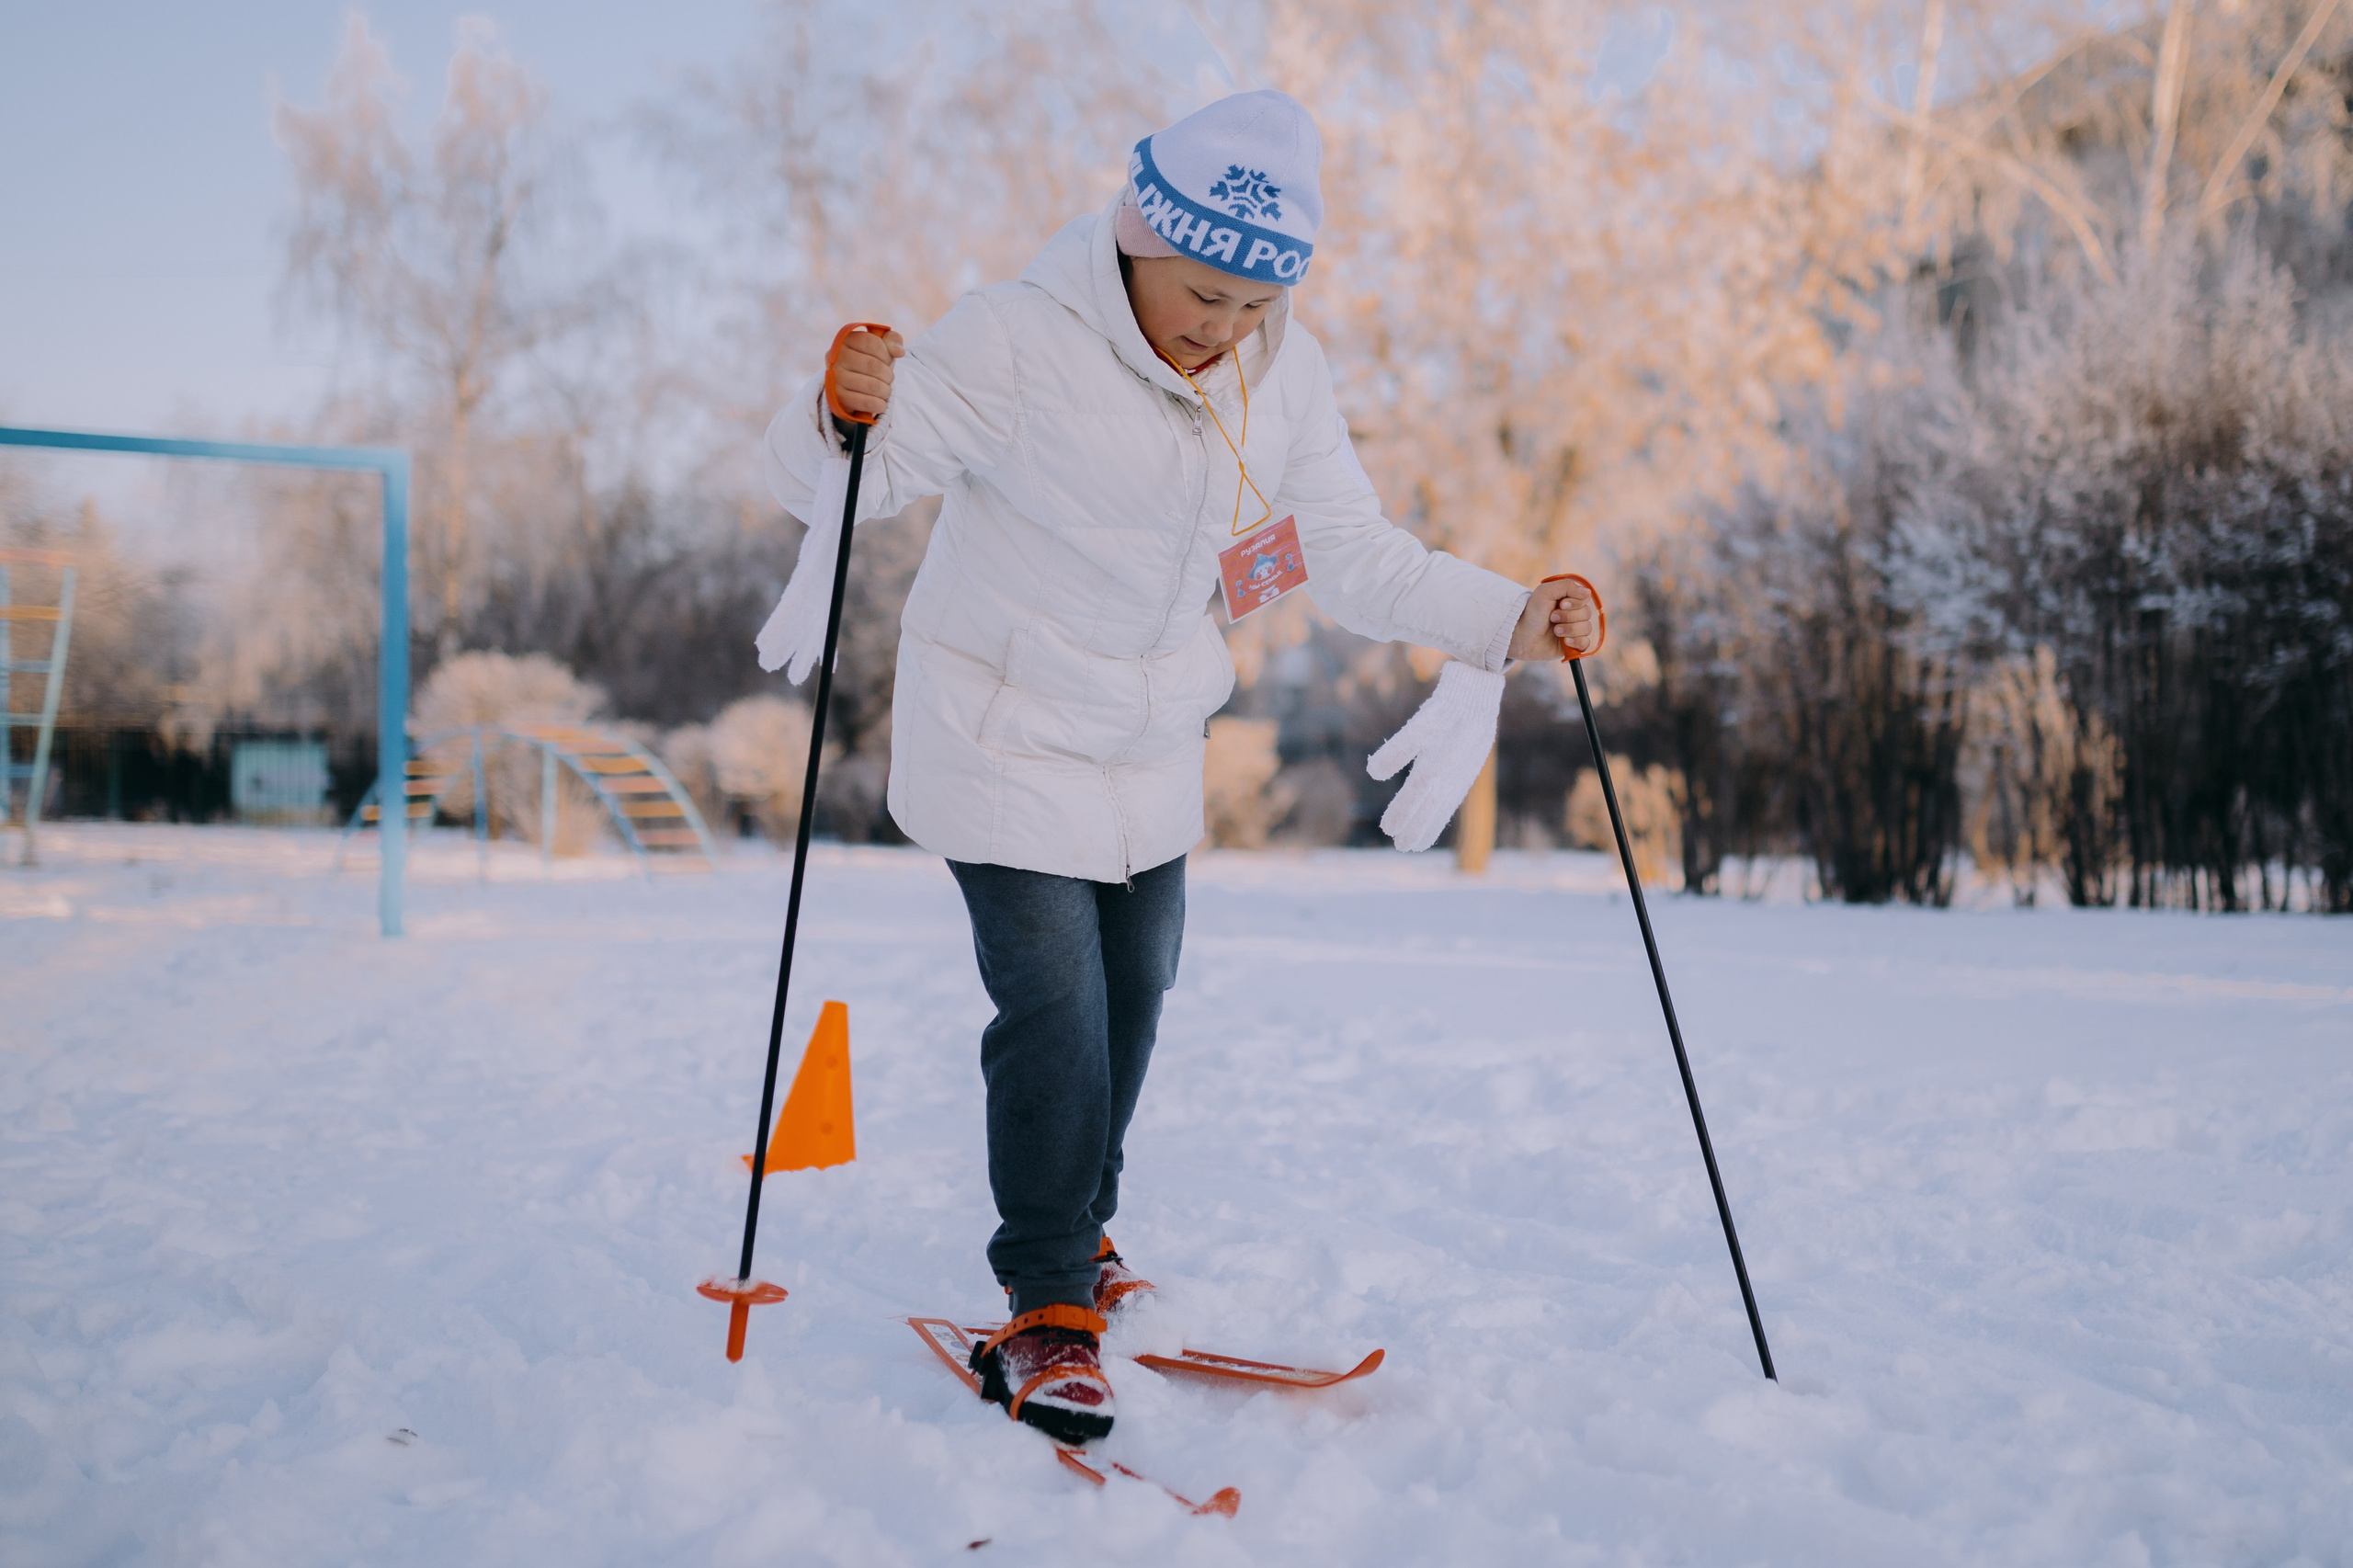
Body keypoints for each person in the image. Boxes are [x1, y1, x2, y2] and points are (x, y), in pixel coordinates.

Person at [760, 89, 1597, 1444]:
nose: (1224, 326)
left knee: (1134, 995)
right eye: (1203, 290)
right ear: (1138, 238)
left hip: (1147, 749)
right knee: (1055, 1009)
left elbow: (1352, 553)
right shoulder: (1022, 338)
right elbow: (848, 477)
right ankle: (1043, 1299)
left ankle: (1081, 1235)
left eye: (1255, 304)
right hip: (1003, 731)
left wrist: (1513, 613)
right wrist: (835, 409)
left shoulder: (1284, 377)